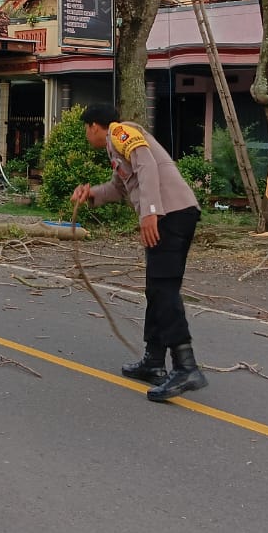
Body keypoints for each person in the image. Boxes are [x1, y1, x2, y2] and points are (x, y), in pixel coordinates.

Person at [71, 104, 208, 403]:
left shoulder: (121, 131)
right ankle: (154, 359)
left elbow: (146, 165)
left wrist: (151, 212)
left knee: (163, 287)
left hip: (170, 214)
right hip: (173, 213)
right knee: (156, 289)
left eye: (86, 128)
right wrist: (92, 193)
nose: (86, 134)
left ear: (95, 126)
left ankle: (186, 366)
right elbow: (119, 188)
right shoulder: (115, 149)